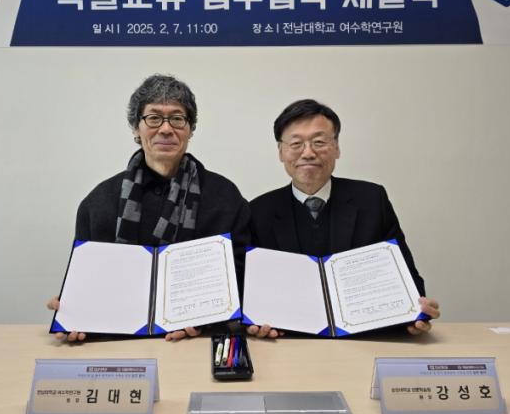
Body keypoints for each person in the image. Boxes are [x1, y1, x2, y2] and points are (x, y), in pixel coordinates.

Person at [47, 74, 250, 342]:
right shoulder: (98, 202)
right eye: (154, 118)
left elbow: (243, 279)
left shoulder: (225, 197)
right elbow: (86, 280)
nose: (166, 129)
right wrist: (74, 309)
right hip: (118, 344)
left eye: (177, 118)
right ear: (136, 127)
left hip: (197, 344)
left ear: (190, 129)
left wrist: (206, 321)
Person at [248, 99, 440, 338]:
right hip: (289, 341)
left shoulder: (372, 200)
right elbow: (253, 290)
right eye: (296, 143)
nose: (308, 153)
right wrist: (254, 322)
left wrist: (416, 311)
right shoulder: (258, 211)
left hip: (365, 339)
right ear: (281, 152)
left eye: (319, 142)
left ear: (337, 147)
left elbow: (405, 276)